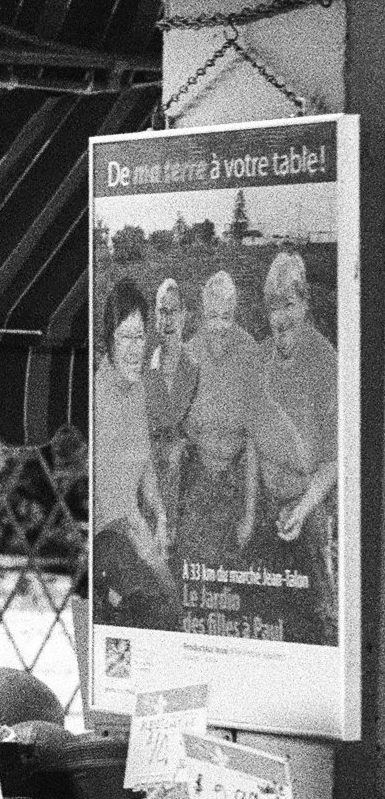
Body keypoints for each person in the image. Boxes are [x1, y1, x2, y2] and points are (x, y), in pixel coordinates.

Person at [248, 246, 340, 643]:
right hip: (268, 501)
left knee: (319, 612)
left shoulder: (326, 363)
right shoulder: (261, 356)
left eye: (288, 305)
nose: (280, 318)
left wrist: (302, 509)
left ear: (304, 303)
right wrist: (251, 510)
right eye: (272, 308)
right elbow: (251, 436)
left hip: (311, 503)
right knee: (259, 607)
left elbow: (337, 460)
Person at [88, 274, 181, 631]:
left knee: (172, 599)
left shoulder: (139, 388)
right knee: (161, 605)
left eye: (139, 336)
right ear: (109, 341)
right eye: (124, 337)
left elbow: (144, 465)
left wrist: (160, 516)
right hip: (106, 536)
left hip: (131, 529)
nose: (133, 348)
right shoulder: (98, 393)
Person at [174, 267, 259, 610]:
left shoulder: (250, 352)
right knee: (195, 565)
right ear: (202, 314)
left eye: (227, 316)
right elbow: (177, 426)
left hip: (238, 473)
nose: (220, 325)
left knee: (238, 572)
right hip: (199, 473)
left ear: (235, 314)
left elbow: (254, 440)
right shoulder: (188, 353)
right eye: (213, 316)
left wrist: (250, 513)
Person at [142, 275, 196, 532]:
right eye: (163, 311)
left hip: (184, 482)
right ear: (155, 317)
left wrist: (180, 444)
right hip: (147, 478)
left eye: (174, 311)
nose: (169, 319)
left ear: (184, 315)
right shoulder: (142, 369)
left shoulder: (195, 370)